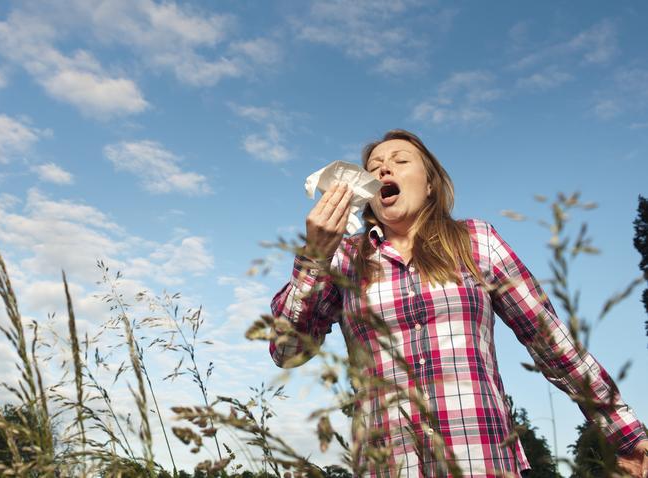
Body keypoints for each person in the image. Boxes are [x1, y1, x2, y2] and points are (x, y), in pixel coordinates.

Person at [269, 129, 648, 477]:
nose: (385, 167)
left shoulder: (475, 241)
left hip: (480, 457)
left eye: (401, 160)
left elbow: (550, 341)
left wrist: (625, 433)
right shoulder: (345, 258)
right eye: (374, 167)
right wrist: (314, 255)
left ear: (431, 184)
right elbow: (286, 351)